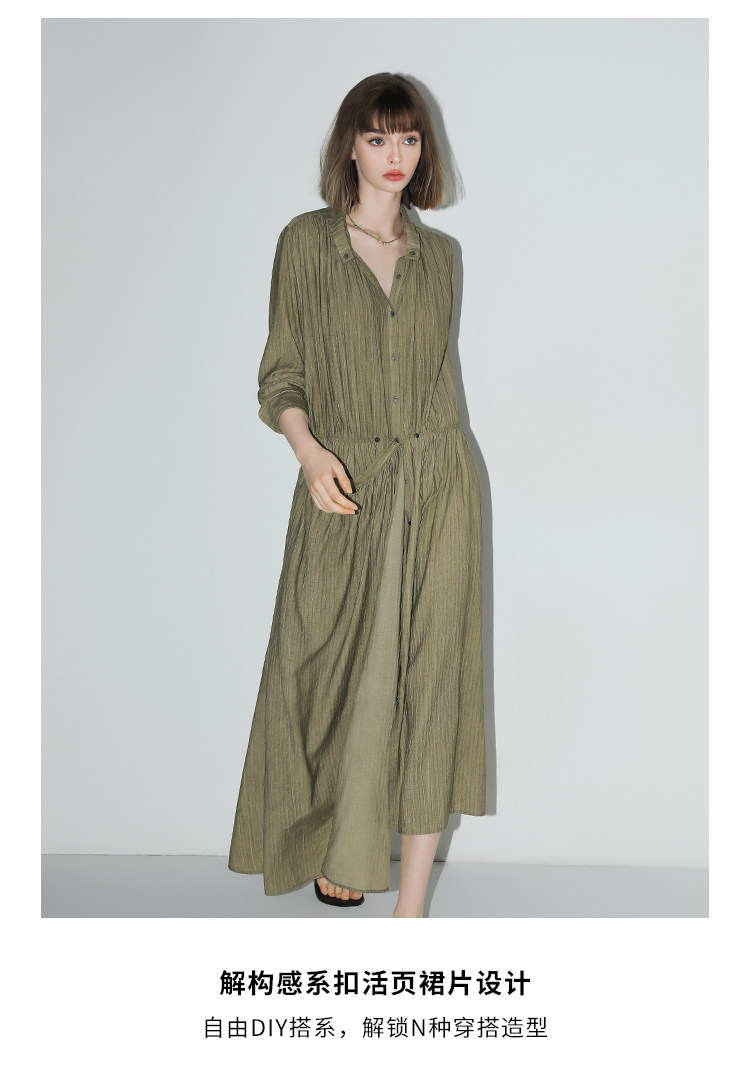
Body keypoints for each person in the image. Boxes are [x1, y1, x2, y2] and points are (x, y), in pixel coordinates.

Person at [228, 72, 486, 918]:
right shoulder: (306, 243)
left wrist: (435, 480)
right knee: (329, 672)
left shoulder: (441, 258)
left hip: (440, 488)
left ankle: (410, 908)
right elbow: (282, 374)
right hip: (344, 484)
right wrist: (308, 452)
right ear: (349, 146)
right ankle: (340, 840)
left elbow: (433, 384)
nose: (394, 154)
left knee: (431, 682)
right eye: (377, 137)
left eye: (408, 138)